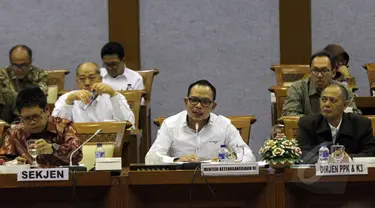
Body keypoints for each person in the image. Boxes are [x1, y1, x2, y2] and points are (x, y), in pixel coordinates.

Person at [145, 80, 255, 164]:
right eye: (193, 100)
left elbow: (248, 156)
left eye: (205, 102)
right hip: (181, 182)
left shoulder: (224, 125)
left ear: (213, 106)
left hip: (216, 182)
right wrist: (177, 160)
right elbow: (151, 158)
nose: (198, 106)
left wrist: (225, 162)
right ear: (186, 102)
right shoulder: (170, 124)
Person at [0, 86, 82, 166]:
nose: (32, 122)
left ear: (47, 110)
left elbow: (77, 154)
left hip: (60, 178)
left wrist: (53, 149)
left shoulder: (64, 126)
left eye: (36, 116)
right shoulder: (15, 133)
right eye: (26, 118)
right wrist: (11, 163)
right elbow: (3, 159)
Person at [296, 84, 375, 163]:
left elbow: (370, 153)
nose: (326, 104)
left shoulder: (361, 124)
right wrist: (330, 160)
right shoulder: (307, 123)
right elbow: (302, 153)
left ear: (345, 105)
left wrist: (348, 159)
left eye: (332, 100)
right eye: (323, 99)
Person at [282, 50, 360, 117]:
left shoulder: (343, 90)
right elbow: (289, 115)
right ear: (310, 72)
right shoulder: (297, 88)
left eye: (324, 70)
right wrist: (322, 122)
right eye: (315, 70)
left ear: (333, 73)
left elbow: (355, 115)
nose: (319, 75)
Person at [52, 62, 134, 124]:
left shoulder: (114, 96)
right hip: (77, 144)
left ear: (101, 79)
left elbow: (129, 124)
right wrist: (68, 103)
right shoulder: (66, 98)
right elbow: (56, 128)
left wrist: (113, 95)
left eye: (92, 78)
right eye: (82, 79)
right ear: (77, 81)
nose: (87, 83)